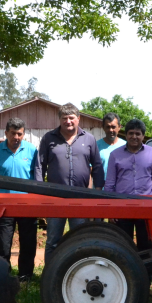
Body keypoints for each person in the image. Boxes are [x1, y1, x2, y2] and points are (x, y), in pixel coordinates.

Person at [34, 103, 105, 262]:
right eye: (64, 118)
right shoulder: (49, 138)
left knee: (80, 239)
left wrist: (98, 190)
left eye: (71, 118)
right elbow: (40, 165)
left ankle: (80, 272)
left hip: (80, 197)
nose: (68, 121)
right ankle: (50, 275)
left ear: (78, 119)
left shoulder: (89, 139)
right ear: (59, 119)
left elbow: (98, 165)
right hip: (55, 198)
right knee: (53, 240)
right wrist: (39, 193)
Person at [0, 118, 39, 282]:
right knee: (3, 244)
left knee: (28, 243)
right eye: (13, 133)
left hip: (27, 205)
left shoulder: (32, 151)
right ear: (6, 133)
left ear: (23, 134)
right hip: (4, 207)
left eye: (19, 134)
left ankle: (25, 276)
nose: (16, 137)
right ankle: (2, 277)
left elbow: (37, 178)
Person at [104, 119, 152, 250]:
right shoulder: (115, 155)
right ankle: (126, 270)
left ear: (143, 135)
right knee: (123, 244)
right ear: (126, 135)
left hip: (146, 206)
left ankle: (147, 271)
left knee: (146, 244)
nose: (134, 137)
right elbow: (109, 184)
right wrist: (111, 209)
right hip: (122, 206)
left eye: (138, 134)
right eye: (131, 133)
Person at [96, 112, 125, 180]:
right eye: (108, 127)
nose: (111, 130)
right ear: (103, 128)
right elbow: (90, 170)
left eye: (113, 127)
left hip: (121, 188)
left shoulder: (126, 146)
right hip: (101, 189)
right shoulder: (96, 146)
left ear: (119, 127)